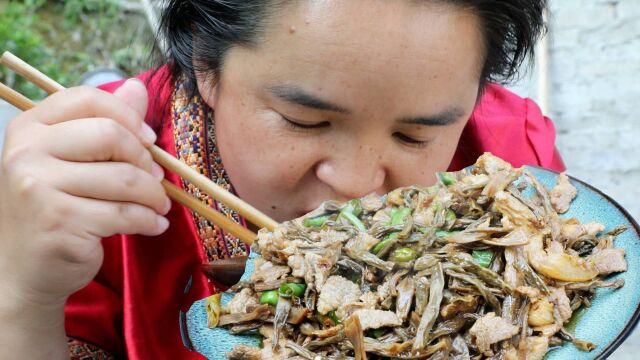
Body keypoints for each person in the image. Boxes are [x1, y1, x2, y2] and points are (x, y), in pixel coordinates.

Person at [0, 0, 563, 358]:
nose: (357, 183)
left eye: (415, 136)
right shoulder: (85, 186)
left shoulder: (510, 168)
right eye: (306, 120)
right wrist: (22, 297)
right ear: (203, 59)